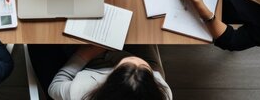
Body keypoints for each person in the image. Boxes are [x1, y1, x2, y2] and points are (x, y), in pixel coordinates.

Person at [29, 44, 172, 100]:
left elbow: (55, 86)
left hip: (90, 62)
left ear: (111, 79)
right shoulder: (162, 93)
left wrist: (87, 52)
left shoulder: (81, 91)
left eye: (126, 64)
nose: (136, 60)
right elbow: (153, 67)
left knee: (38, 43)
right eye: (144, 67)